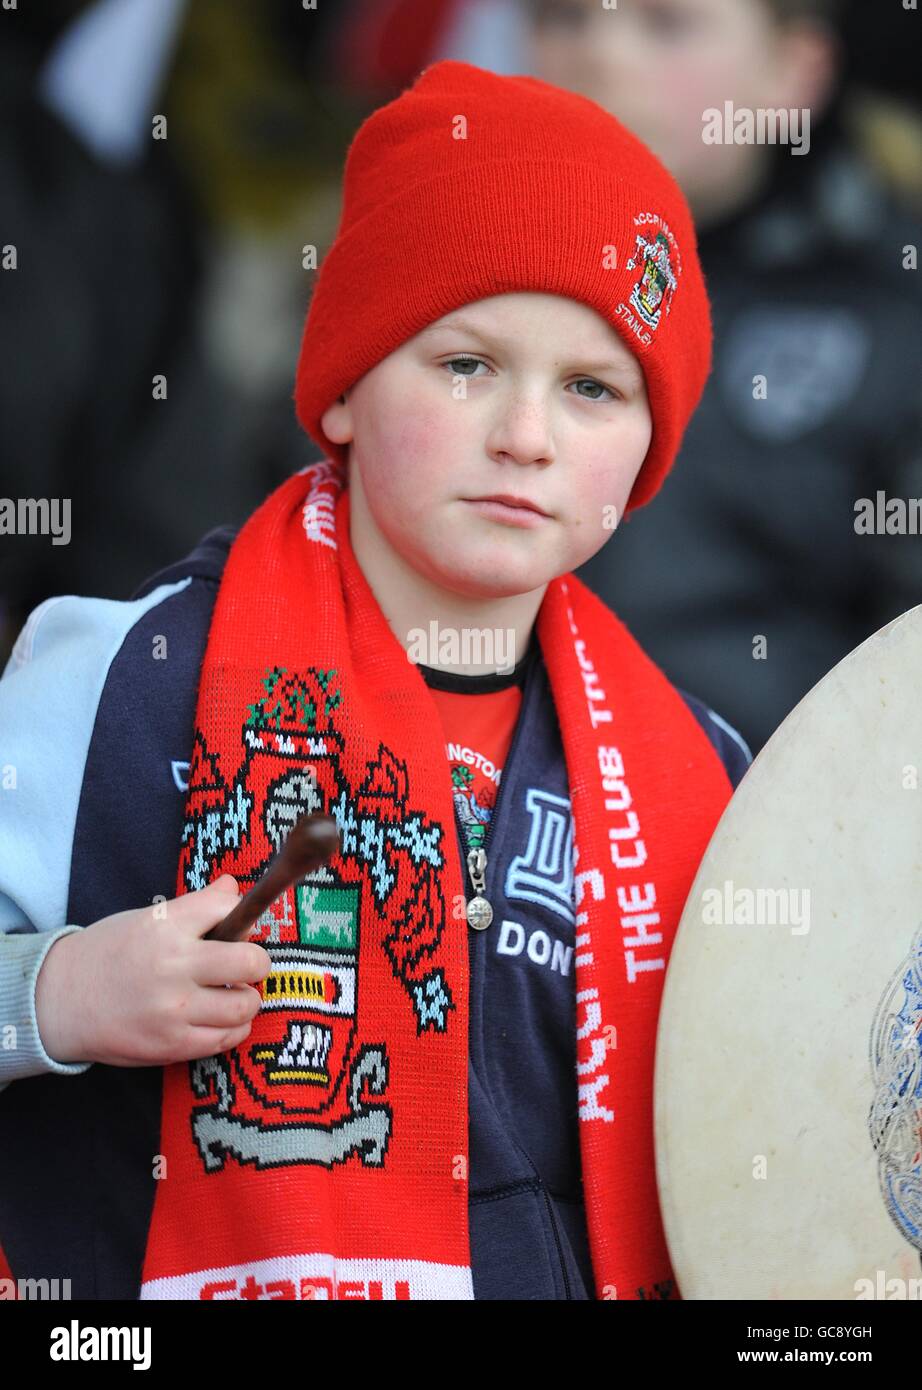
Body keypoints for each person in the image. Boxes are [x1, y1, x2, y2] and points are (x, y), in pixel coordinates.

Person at [0, 60, 751, 1302]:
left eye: (592, 388)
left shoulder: (698, 771)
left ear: (648, 449)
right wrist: (64, 993)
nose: (526, 434)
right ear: (343, 386)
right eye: (465, 363)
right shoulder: (123, 682)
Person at [525, 0, 922, 754]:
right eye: (563, 16)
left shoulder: (897, 308)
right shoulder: (447, 280)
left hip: (773, 827)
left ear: (794, 69)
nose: (601, 56)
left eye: (667, 24)